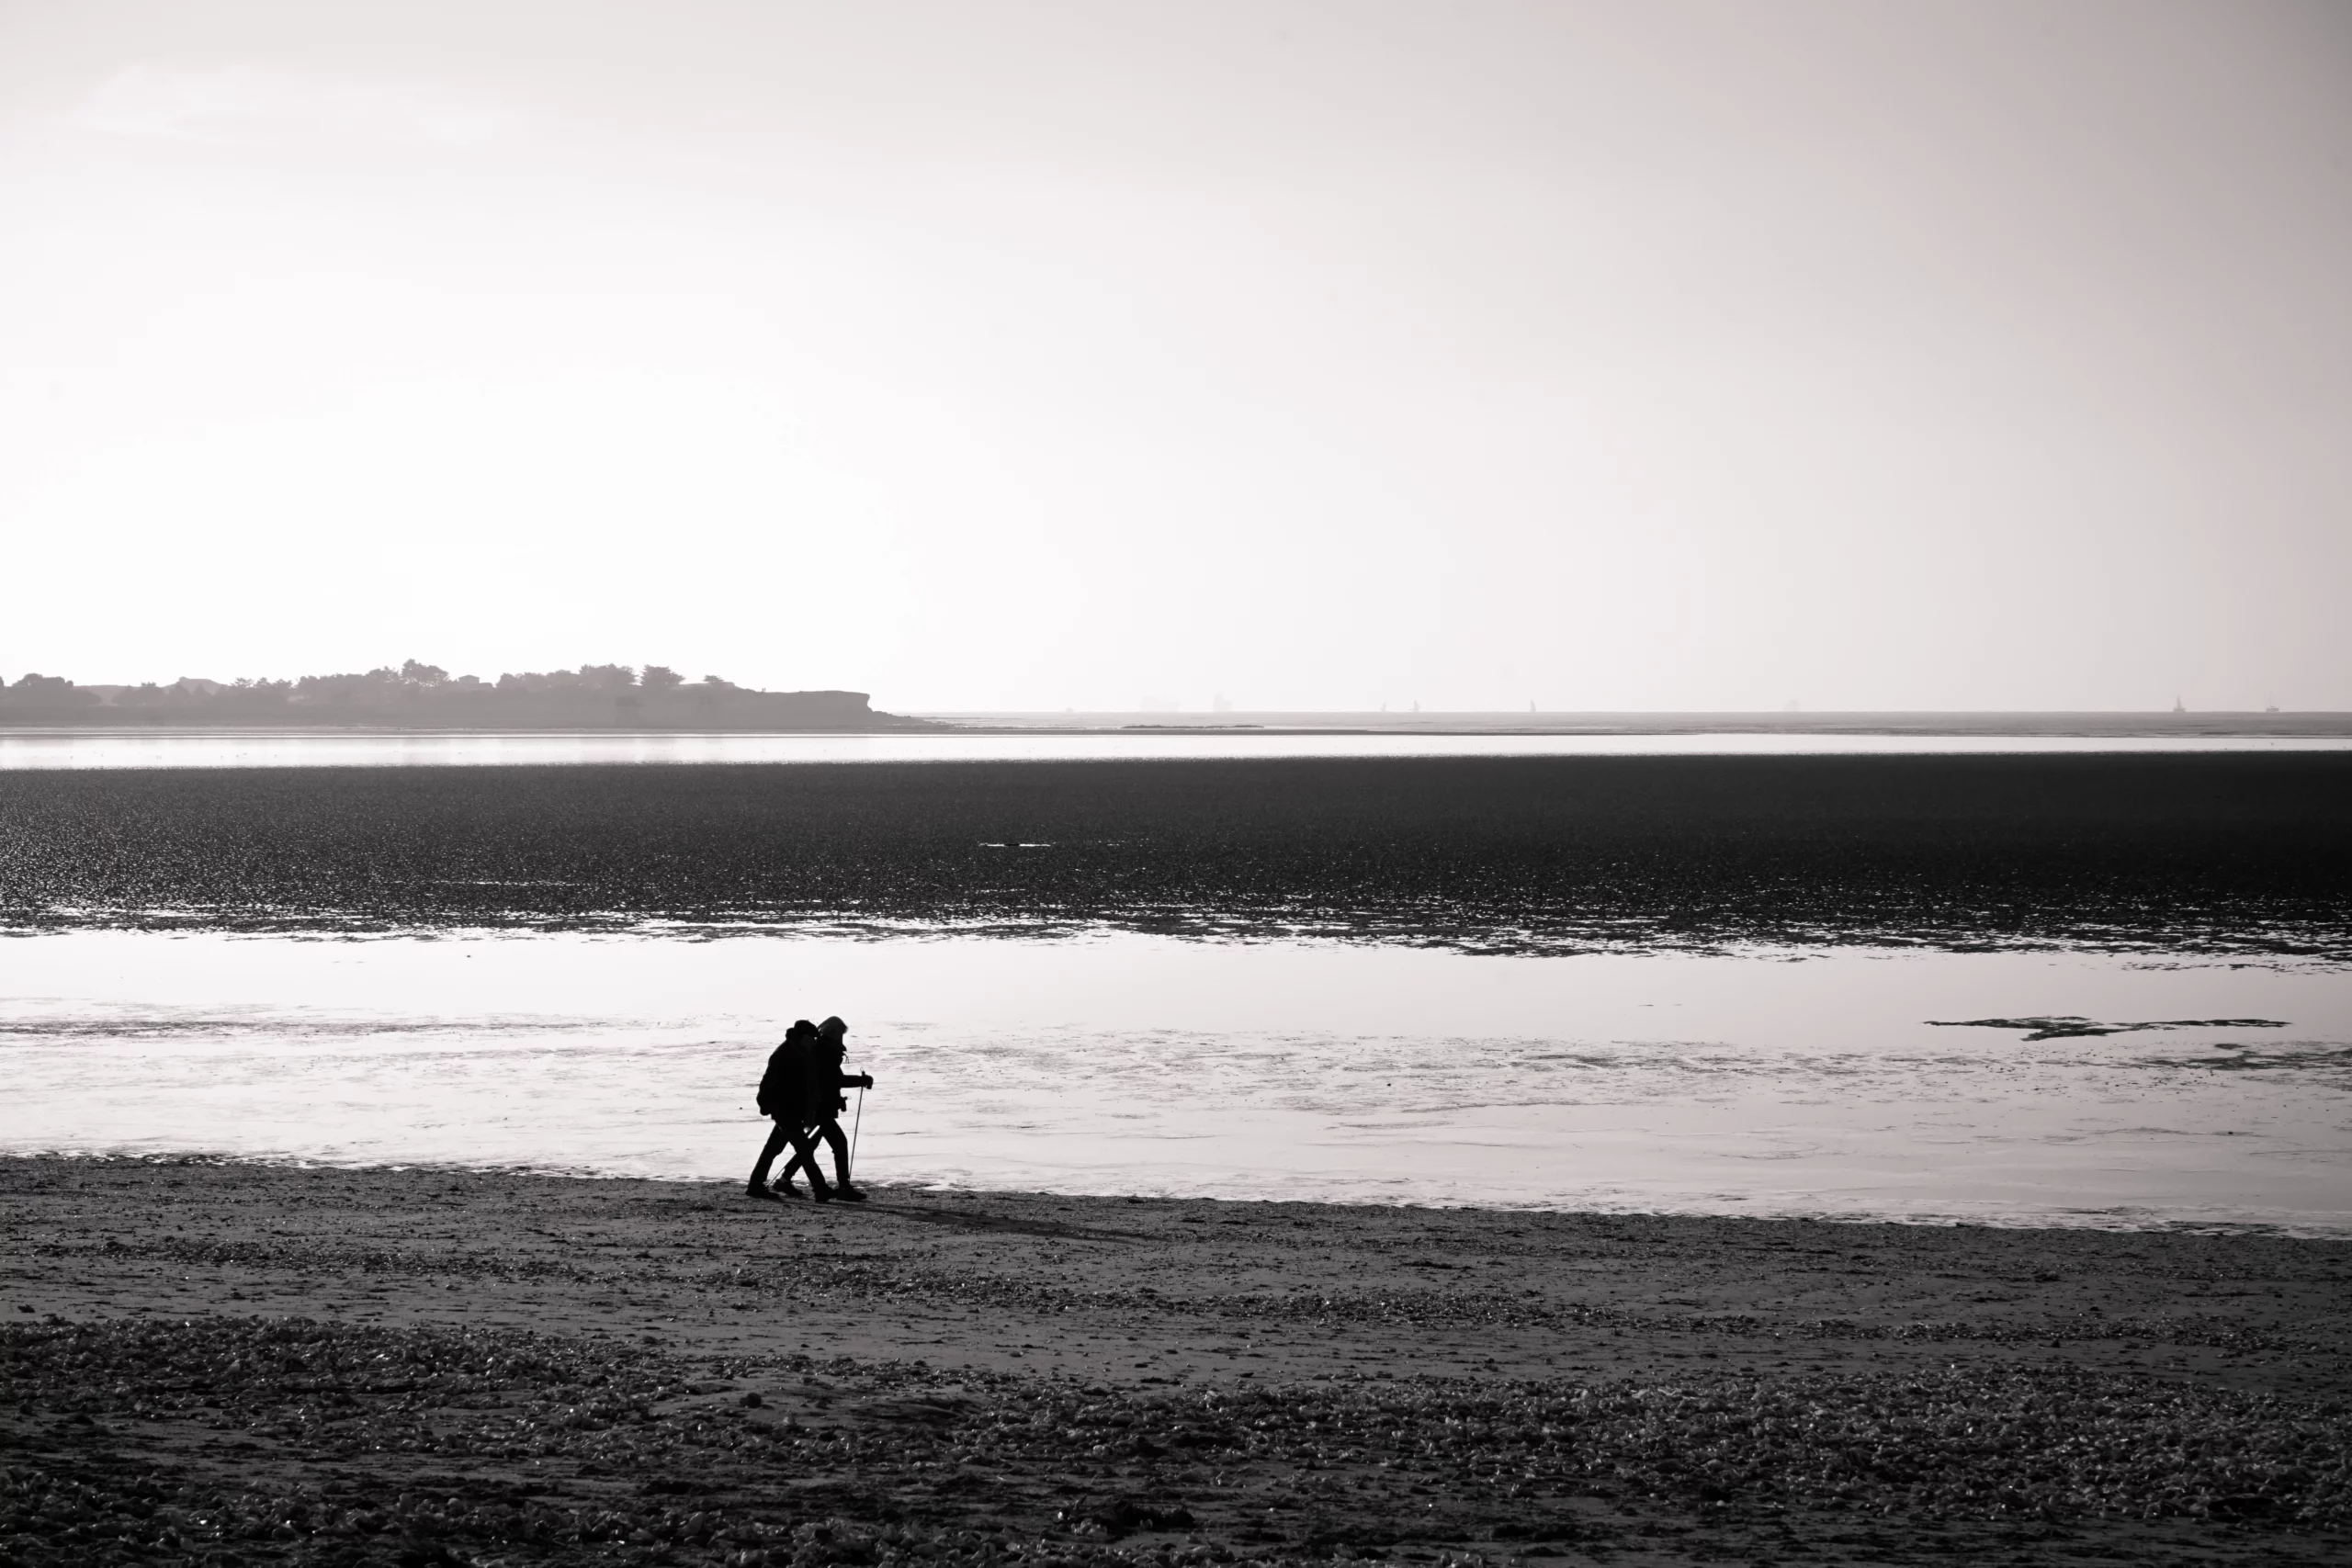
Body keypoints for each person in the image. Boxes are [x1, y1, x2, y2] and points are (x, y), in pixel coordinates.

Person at [782, 1014, 873, 1201]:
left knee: (810, 1145)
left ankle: (785, 1178)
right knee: (839, 1144)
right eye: (840, 1033)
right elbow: (834, 1080)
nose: (842, 1038)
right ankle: (843, 1187)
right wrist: (862, 1080)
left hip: (818, 1105)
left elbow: (831, 1080)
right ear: (833, 1033)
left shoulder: (821, 1049)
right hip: (821, 1106)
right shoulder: (826, 1051)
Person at [747, 1021, 832, 1201]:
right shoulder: (784, 1054)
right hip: (784, 1111)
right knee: (804, 1150)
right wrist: (765, 1105)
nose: (814, 1042)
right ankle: (820, 1189)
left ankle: (755, 1185)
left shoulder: (799, 1051)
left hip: (791, 1111)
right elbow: (767, 1083)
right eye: (812, 1038)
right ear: (804, 1037)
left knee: (773, 1150)